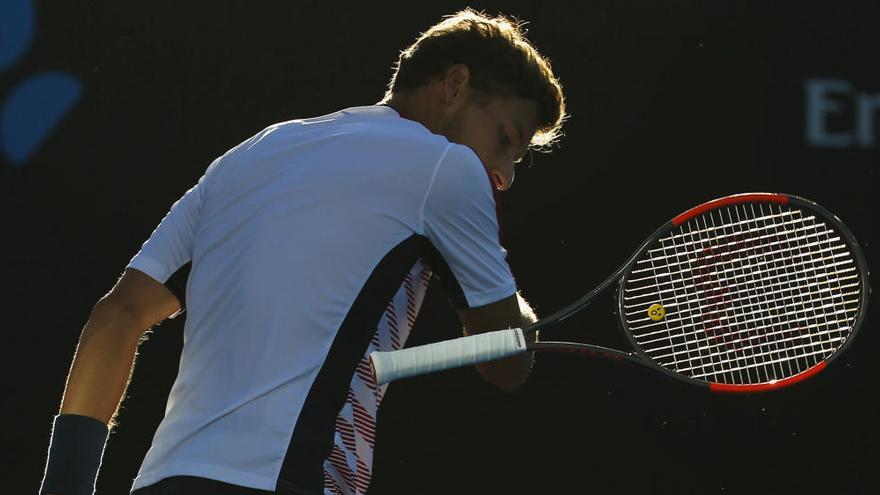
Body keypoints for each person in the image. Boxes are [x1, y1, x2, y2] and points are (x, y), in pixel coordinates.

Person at [39, 8, 565, 495]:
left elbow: (116, 317)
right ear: (455, 85)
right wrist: (519, 318)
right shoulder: (450, 169)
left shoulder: (254, 153)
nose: (505, 175)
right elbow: (505, 361)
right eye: (504, 138)